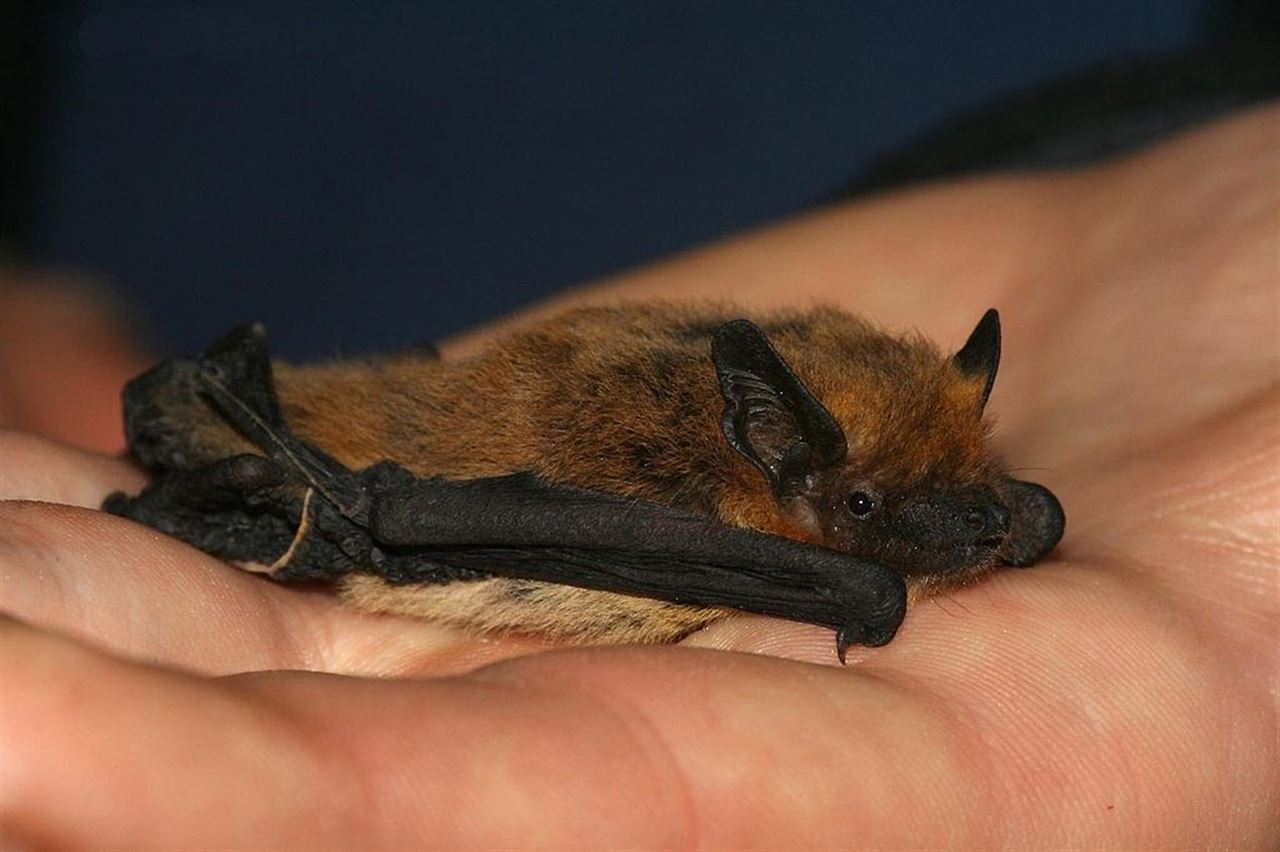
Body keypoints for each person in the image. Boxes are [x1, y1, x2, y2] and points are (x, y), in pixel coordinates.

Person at [0, 105, 1275, 848]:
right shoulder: (649, 493)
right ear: (773, 465)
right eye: (866, 507)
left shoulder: (835, 469)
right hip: (386, 477)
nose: (948, 524)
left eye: (960, 478)